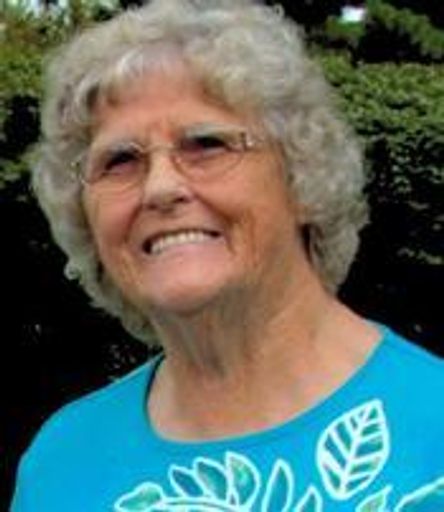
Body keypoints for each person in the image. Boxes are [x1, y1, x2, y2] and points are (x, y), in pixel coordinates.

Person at [11, 1, 444, 510]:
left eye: (206, 144)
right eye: (120, 160)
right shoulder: (62, 463)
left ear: (301, 176)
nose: (160, 188)